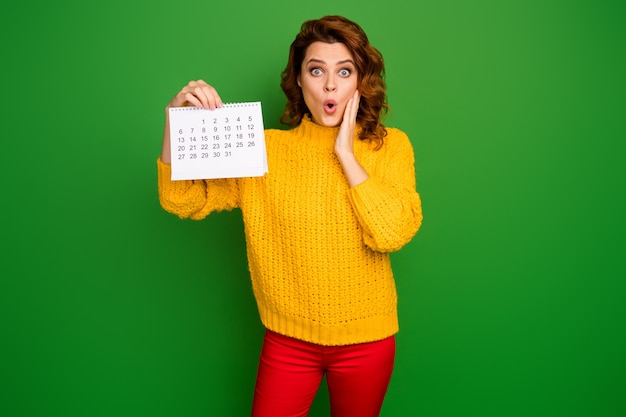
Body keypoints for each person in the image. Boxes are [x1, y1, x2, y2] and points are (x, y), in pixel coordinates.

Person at [157, 15, 423, 417]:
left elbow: (391, 233)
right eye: (317, 70)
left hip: (367, 342)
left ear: (359, 80)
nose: (330, 85)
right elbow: (182, 199)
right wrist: (175, 121)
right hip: (287, 342)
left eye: (344, 71)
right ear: (299, 79)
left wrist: (346, 154)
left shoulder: (391, 147)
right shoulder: (263, 151)